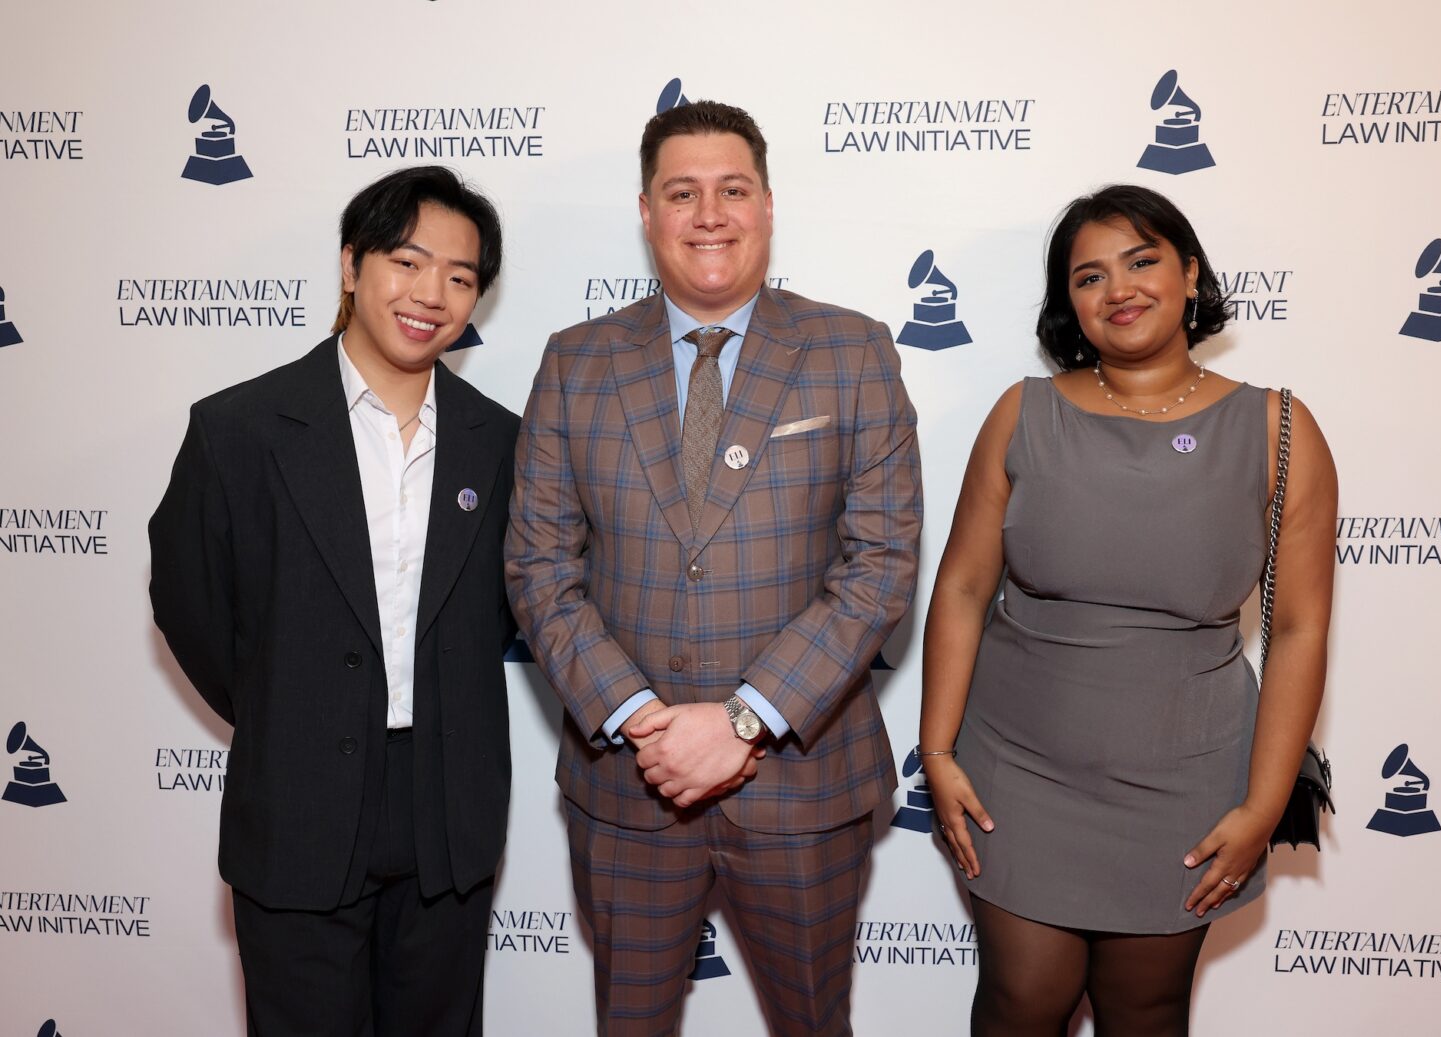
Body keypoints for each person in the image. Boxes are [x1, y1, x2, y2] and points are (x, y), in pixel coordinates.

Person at [505, 100, 922, 1036]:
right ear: (647, 212)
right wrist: (644, 720)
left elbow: (882, 565)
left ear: (768, 206)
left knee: (816, 1022)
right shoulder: (574, 363)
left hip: (802, 787)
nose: (708, 214)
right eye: (681, 192)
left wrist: (742, 721)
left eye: (732, 190)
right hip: (628, 784)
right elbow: (539, 567)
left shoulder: (852, 352)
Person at [919, 184, 1336, 1036]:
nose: (1120, 290)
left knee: (1145, 1011)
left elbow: (1298, 629)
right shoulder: (1021, 414)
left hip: (1188, 778)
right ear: (1068, 303)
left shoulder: (1278, 426)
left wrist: (1262, 808)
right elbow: (962, 586)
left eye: (1143, 261)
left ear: (1189, 273)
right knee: (1021, 1001)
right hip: (1021, 771)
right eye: (1090, 276)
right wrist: (936, 747)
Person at [149, 165, 519, 1035]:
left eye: (461, 278)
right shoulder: (238, 429)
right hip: (298, 800)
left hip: (447, 808)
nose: (432, 294)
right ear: (352, 266)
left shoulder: (500, 442)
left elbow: (503, 610)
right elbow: (190, 602)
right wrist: (288, 703)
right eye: (407, 261)